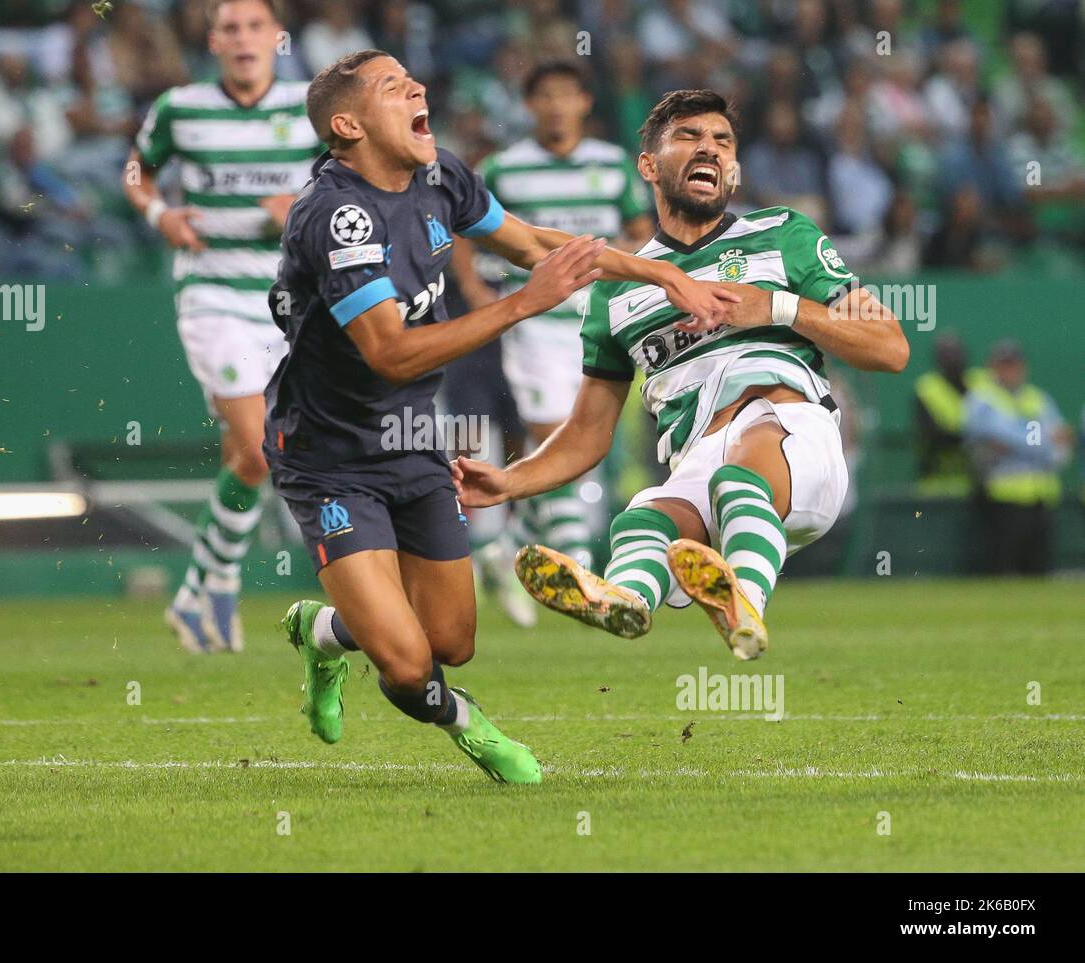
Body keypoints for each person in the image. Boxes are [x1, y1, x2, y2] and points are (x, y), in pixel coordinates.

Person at [270, 53, 738, 784]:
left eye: (414, 81)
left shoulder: (440, 176)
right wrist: (524, 302)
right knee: (407, 663)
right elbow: (391, 352)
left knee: (450, 641)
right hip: (328, 455)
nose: (418, 89)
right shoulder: (337, 215)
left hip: (415, 441)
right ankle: (470, 725)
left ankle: (322, 631)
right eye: (394, 89)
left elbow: (529, 246)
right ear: (348, 124)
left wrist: (660, 271)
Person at [454, 89, 909, 660]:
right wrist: (508, 482)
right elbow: (588, 433)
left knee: (739, 470)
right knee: (641, 520)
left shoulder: (784, 234)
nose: (711, 150)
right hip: (699, 458)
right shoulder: (617, 292)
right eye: (690, 137)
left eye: (722, 141)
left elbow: (890, 347)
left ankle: (741, 601)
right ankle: (625, 601)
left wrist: (777, 307)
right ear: (648, 165)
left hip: (795, 444)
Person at [123, 0, 319, 653]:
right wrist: (160, 217)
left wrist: (304, 203)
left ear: (275, 37)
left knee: (255, 457)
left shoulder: (308, 106)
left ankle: (191, 591)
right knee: (259, 446)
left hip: (287, 299)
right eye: (230, 28)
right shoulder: (182, 107)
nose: (242, 39)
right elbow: (135, 171)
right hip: (211, 293)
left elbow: (356, 173)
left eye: (254, 27)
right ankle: (223, 575)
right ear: (213, 41)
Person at [451, 58, 653, 625]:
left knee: (575, 450)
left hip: (603, 324)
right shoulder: (505, 169)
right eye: (545, 96)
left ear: (585, 103)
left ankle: (503, 545)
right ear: (530, 105)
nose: (557, 105)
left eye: (567, 95)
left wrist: (623, 256)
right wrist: (473, 289)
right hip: (536, 325)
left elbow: (640, 234)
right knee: (552, 438)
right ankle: (581, 570)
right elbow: (463, 228)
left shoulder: (613, 166)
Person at [964, 341, 1071, 575]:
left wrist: (1021, 439)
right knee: (1004, 569)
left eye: (1014, 365)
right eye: (1004, 365)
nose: (1010, 371)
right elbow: (996, 434)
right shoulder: (982, 400)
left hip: (1043, 496)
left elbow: (1062, 443)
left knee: (1040, 570)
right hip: (1003, 496)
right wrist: (1043, 438)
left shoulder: (1038, 397)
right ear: (993, 367)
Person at [914, 332, 976, 496]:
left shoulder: (979, 383)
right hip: (937, 485)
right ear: (937, 359)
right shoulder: (927, 388)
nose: (952, 359)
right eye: (946, 354)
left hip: (974, 485)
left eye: (956, 353)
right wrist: (974, 439)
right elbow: (931, 436)